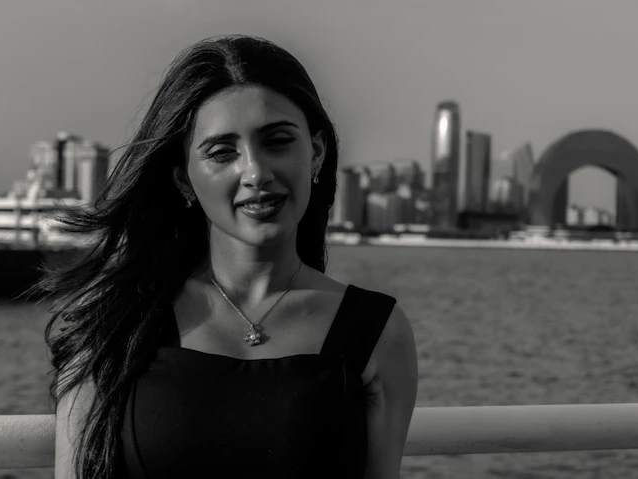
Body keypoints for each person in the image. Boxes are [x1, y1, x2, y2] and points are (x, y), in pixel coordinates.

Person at [38, 34, 419, 479]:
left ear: (315, 153)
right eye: (222, 152)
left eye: (277, 141)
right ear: (183, 180)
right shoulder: (116, 321)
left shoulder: (378, 332)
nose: (256, 172)